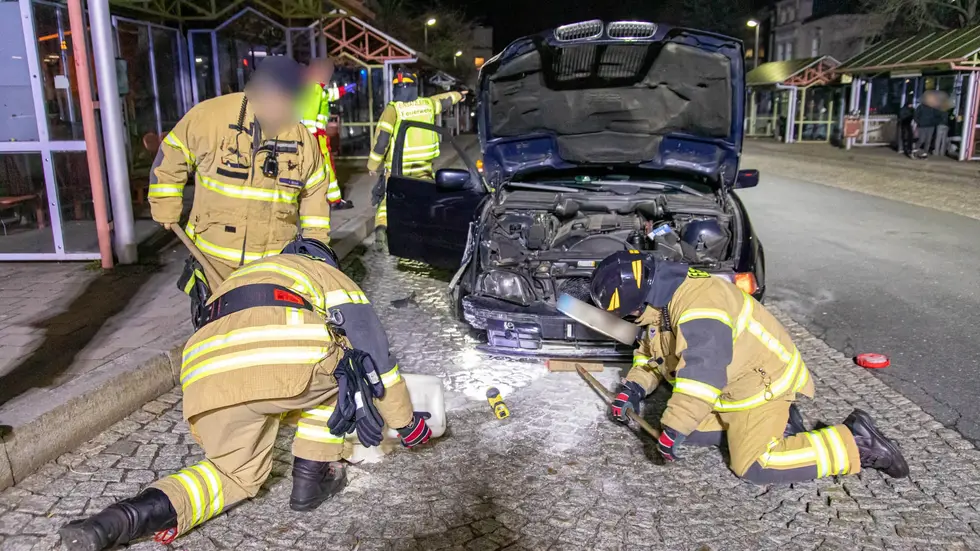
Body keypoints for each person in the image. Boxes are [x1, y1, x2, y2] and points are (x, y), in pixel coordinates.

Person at [58, 238, 433, 551]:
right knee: (346, 373)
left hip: (203, 376)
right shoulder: (329, 275)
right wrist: (407, 424)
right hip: (284, 360)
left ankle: (115, 521)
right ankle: (311, 476)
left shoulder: (245, 276)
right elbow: (374, 357)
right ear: (324, 260)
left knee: (233, 474)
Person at [593, 251, 909, 484]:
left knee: (754, 465)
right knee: (676, 429)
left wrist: (676, 424)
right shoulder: (662, 301)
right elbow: (654, 353)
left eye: (626, 315)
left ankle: (855, 442)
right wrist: (632, 388)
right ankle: (780, 426)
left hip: (763, 387)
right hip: (734, 389)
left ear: (638, 304)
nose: (627, 321)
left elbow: (702, 375)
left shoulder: (700, 306)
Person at [149, 56, 335, 326]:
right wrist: (165, 200)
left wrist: (316, 249)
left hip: (273, 267)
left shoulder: (301, 140)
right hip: (213, 259)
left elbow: (315, 192)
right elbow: (174, 151)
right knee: (215, 332)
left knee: (264, 335)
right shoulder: (211, 117)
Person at [366, 70, 465, 249]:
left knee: (389, 200)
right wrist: (459, 95)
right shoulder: (427, 104)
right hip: (423, 165)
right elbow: (444, 99)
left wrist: (373, 164)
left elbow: (382, 140)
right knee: (425, 196)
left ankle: (382, 227)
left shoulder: (393, 109)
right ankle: (427, 233)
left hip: (398, 168)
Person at [299, 57, 352, 210]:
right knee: (327, 167)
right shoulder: (315, 88)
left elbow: (328, 95)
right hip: (317, 136)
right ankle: (333, 200)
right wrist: (314, 138)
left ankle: (328, 199)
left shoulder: (314, 88)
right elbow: (309, 118)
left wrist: (344, 90)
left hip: (313, 136)